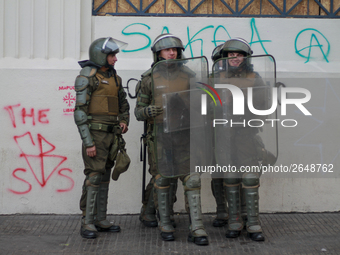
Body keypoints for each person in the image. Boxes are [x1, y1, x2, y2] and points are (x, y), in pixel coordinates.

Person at [134, 33, 209, 245]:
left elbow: (201, 103)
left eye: (174, 49)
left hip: (185, 135)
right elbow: (138, 112)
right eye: (167, 50)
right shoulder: (149, 79)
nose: (171, 52)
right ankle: (165, 223)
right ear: (158, 54)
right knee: (163, 179)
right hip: (159, 137)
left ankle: (197, 227)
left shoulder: (189, 75)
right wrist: (147, 110)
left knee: (192, 179)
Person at [212, 38, 276, 241]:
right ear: (225, 57)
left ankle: (254, 222)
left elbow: (265, 105)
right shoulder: (215, 77)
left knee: (249, 178)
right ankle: (234, 221)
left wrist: (246, 107)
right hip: (223, 134)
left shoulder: (254, 77)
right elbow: (203, 105)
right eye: (230, 55)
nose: (234, 58)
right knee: (230, 177)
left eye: (238, 55)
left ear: (245, 58)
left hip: (246, 134)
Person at [74, 37, 130, 239]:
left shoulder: (115, 78)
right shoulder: (87, 77)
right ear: (101, 55)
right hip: (95, 135)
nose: (115, 59)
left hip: (112, 135)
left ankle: (100, 219)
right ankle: (87, 222)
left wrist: (124, 120)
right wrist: (88, 142)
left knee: (105, 176)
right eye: (112, 55)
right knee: (94, 176)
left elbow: (123, 104)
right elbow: (79, 113)